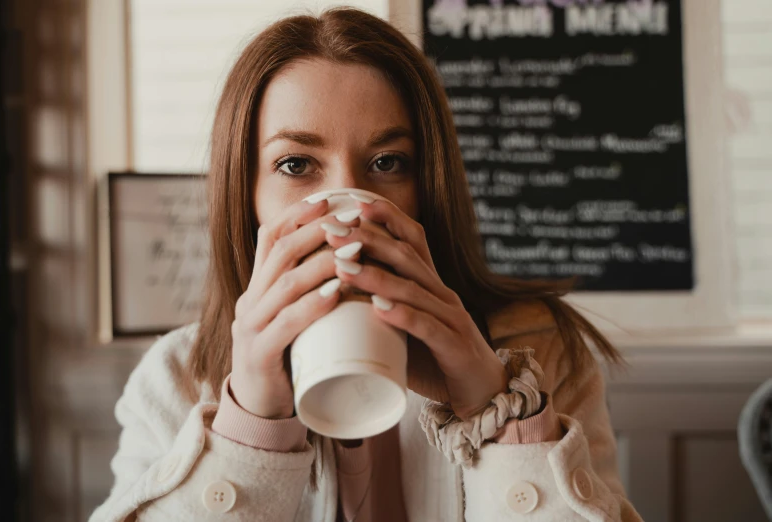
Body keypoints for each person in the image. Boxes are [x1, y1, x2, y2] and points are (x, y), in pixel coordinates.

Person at [90, 7, 643, 522]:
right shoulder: (175, 381)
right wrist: (251, 425)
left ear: (427, 185)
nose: (346, 206)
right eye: (296, 163)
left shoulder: (542, 351)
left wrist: (497, 408)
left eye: (386, 162)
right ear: (246, 193)